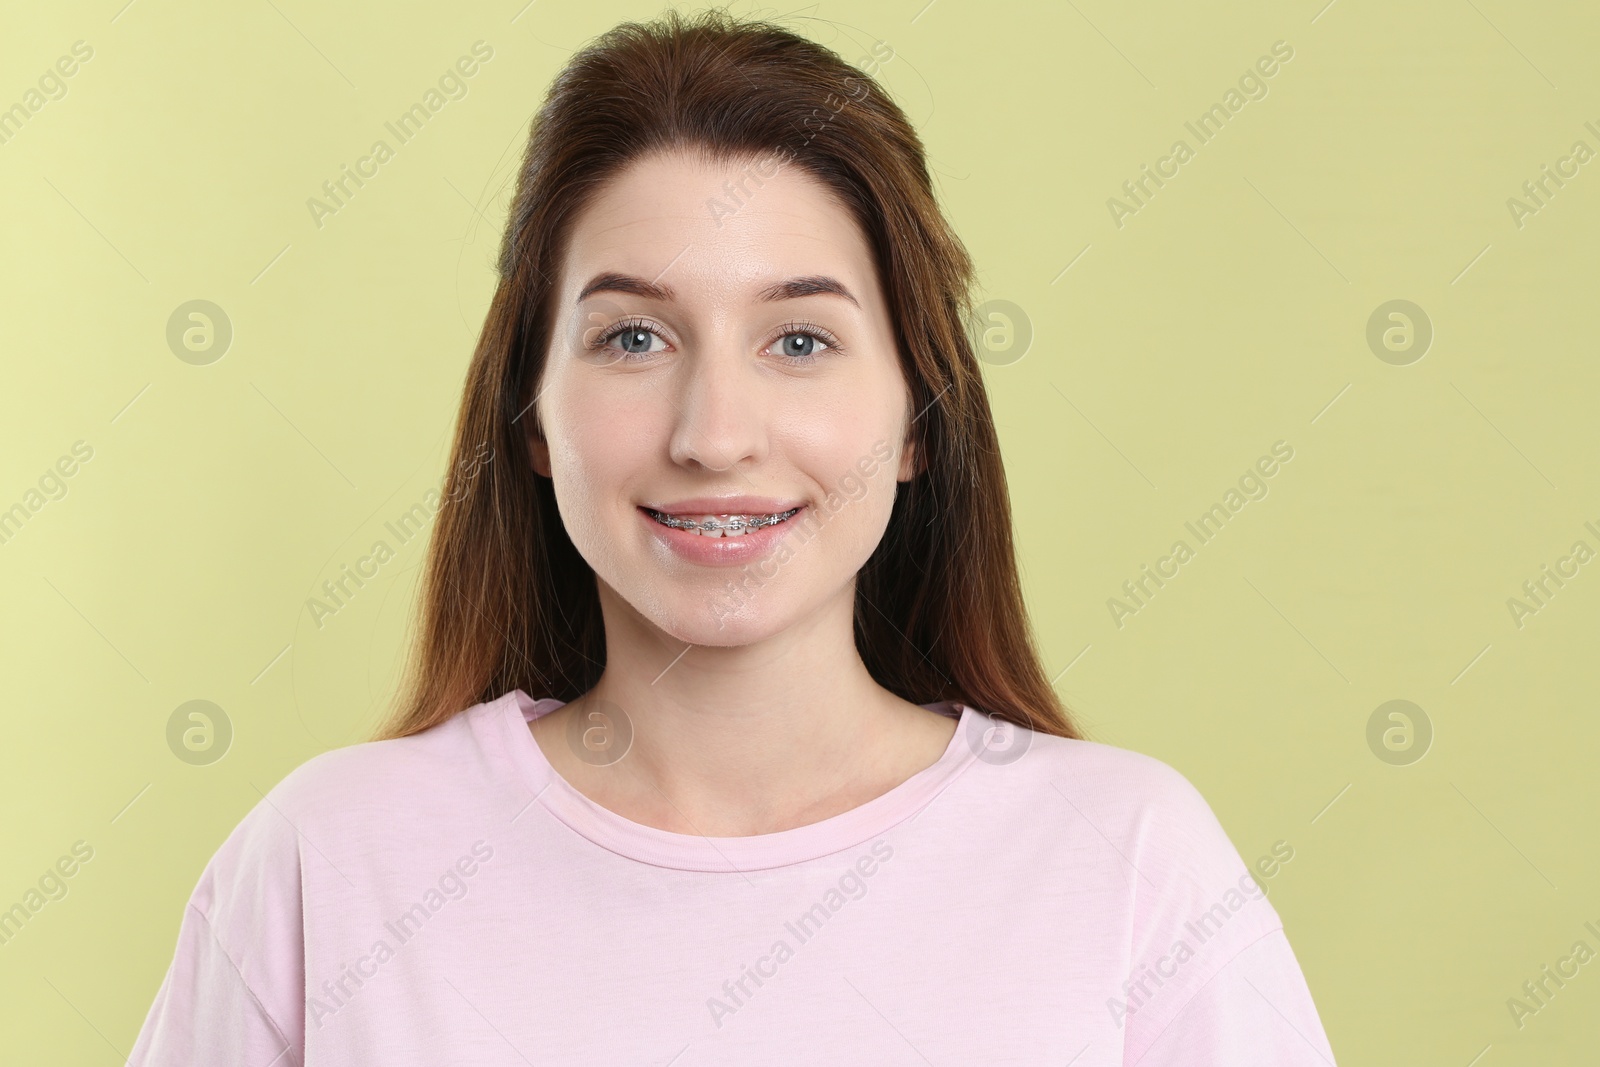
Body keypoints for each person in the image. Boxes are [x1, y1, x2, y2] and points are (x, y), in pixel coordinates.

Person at [128, 9, 1338, 1064]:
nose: (714, 435)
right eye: (633, 338)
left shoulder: (1130, 865)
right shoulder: (327, 865)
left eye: (799, 340)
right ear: (533, 417)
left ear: (919, 417)